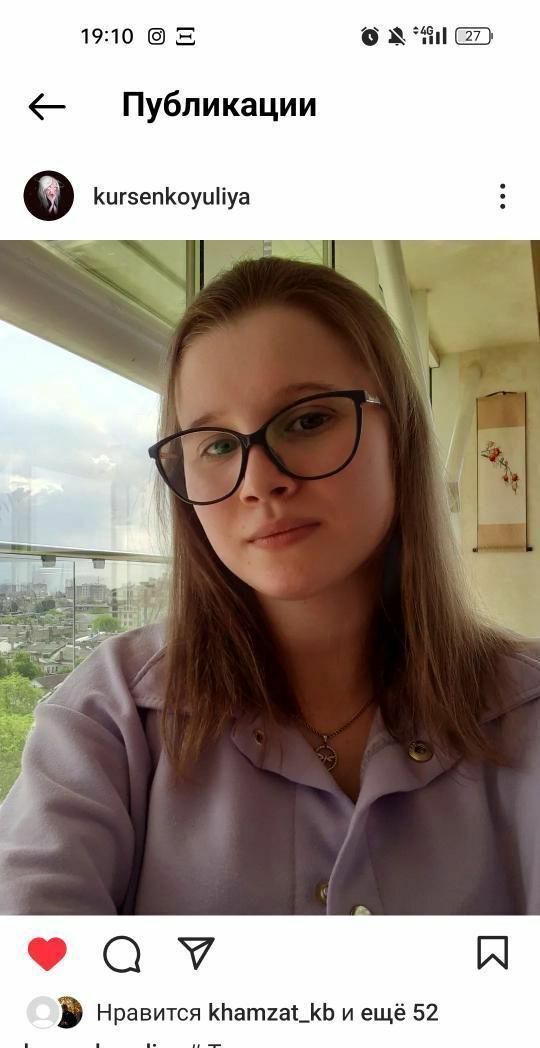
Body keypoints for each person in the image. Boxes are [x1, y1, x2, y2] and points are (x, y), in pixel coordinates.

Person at [0, 255, 539, 916]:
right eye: (218, 445)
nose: (259, 481)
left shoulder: (525, 715)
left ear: (399, 435)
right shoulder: (109, 717)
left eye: (307, 420)